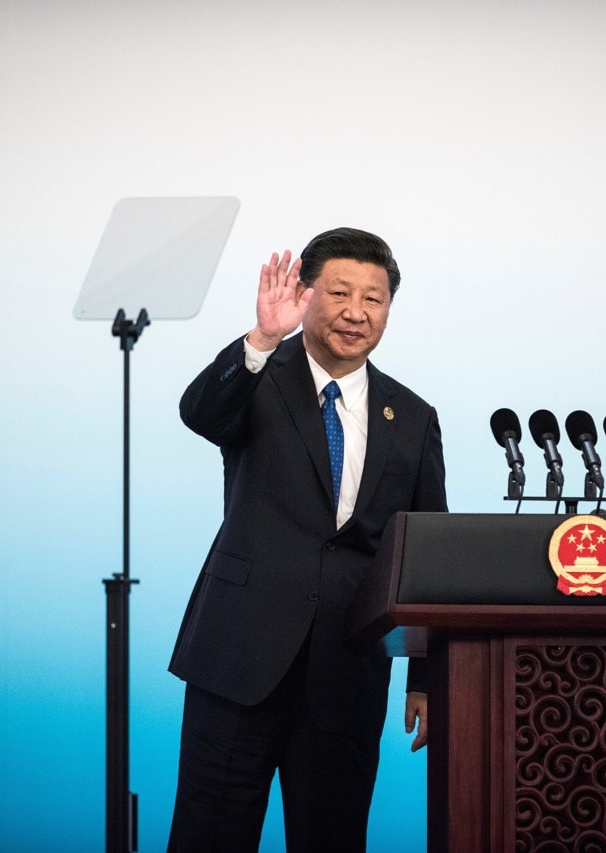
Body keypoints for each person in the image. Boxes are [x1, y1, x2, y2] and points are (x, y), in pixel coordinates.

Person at [166, 227, 448, 852]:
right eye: (341, 292)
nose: (356, 312)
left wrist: (427, 678)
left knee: (334, 839)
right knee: (207, 835)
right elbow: (200, 414)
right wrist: (264, 338)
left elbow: (422, 557)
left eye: (373, 298)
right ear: (306, 294)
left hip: (346, 669)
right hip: (239, 653)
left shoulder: (414, 417)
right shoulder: (260, 376)